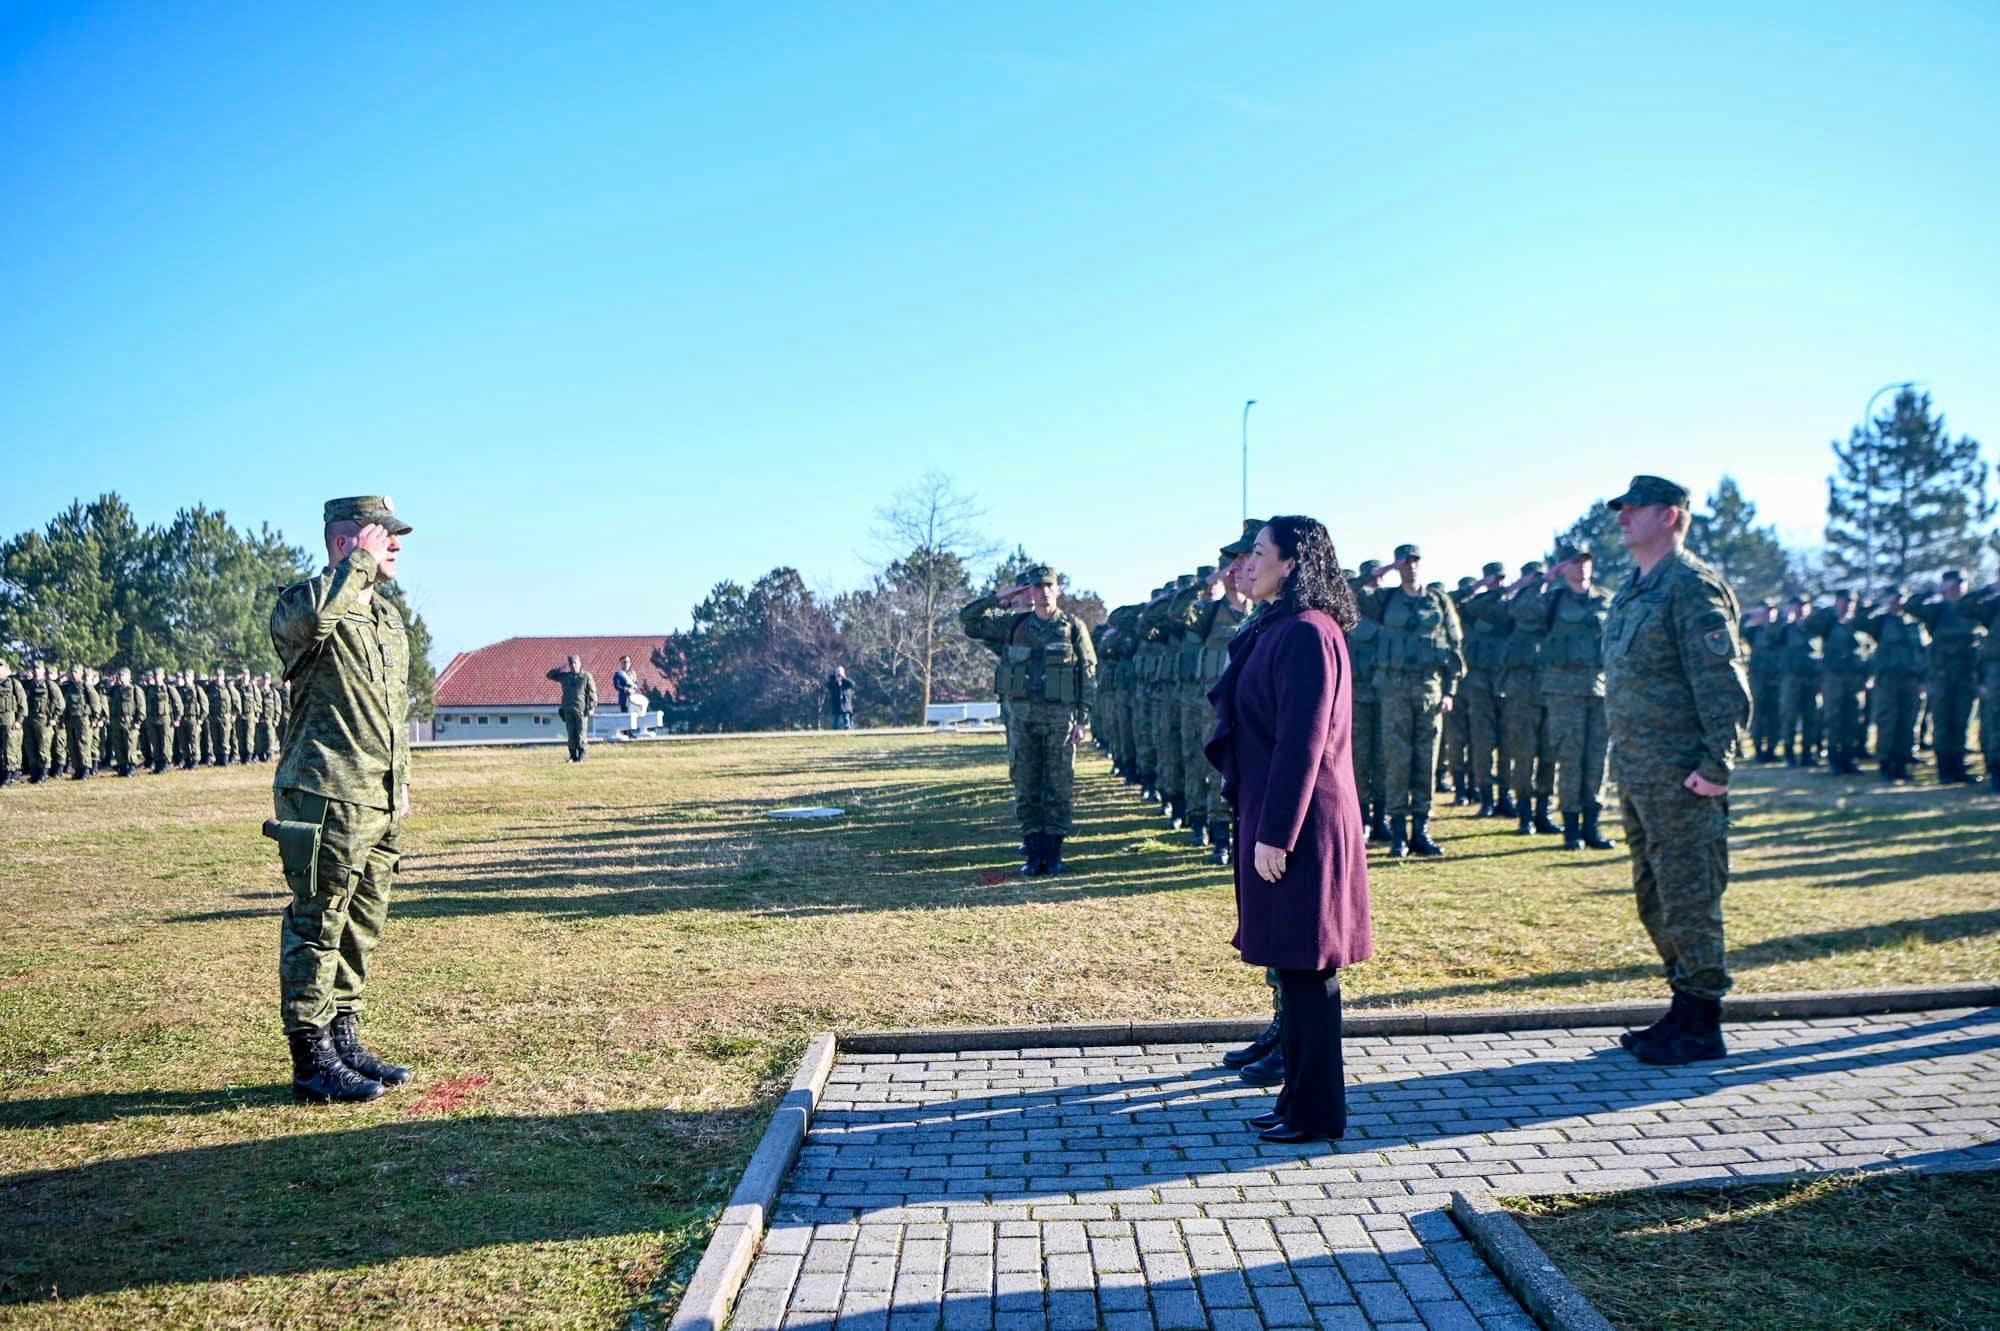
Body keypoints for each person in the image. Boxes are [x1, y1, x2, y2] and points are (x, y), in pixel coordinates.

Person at [1206, 515, 1371, 1143]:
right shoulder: (1279, 626)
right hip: (1278, 815)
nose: (1249, 561)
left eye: (1259, 550)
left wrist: (1276, 833)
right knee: (1294, 969)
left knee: (1308, 971)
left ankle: (1317, 1113)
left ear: (1293, 563)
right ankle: (1295, 1100)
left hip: (1301, 824)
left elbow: (1305, 743)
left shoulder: (1307, 632)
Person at [266, 495, 416, 1104]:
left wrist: (399, 780)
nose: (398, 547)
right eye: (387, 536)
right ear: (346, 542)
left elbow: (392, 708)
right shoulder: (301, 603)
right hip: (324, 788)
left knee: (362, 923)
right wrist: (356, 566)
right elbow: (309, 626)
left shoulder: (384, 618)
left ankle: (344, 1035)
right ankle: (311, 1056)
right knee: (318, 920)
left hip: (375, 795)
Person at [1601, 476, 1751, 1066]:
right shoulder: (1633, 589)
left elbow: (1724, 687)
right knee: (1655, 896)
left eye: (1633, 509)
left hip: (1684, 777)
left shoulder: (1690, 587)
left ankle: (1702, 1021)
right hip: (1641, 773)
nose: (1622, 518)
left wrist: (1716, 767)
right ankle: (1683, 1005)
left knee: (1690, 895)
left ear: (1669, 516)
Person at [959, 564, 1097, 875]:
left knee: (1059, 785)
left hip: (1060, 719)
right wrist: (1001, 596)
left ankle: (1054, 852)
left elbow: (1088, 674)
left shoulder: (1073, 627)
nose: (1044, 592)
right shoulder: (1012, 625)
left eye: (1049, 586)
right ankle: (1033, 853)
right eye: (1037, 587)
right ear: (1029, 592)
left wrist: (1082, 719)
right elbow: (969, 620)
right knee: (1026, 784)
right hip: (1022, 719)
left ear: (1058, 590)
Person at [1364, 544, 1464, 858]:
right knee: (1396, 761)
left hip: (1430, 690)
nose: (1411, 567)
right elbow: (1352, 591)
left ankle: (1420, 830)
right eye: (1404, 562)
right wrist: (1383, 571)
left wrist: (1450, 691)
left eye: (1414, 561)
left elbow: (1454, 647)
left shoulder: (1439, 601)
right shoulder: (1387, 599)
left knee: (1426, 761)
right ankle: (1397, 834)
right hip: (1393, 692)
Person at [1540, 546, 1616, 851]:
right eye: (1575, 562)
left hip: (1599, 688)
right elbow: (1518, 612)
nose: (1582, 567)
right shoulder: (1553, 600)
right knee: (1570, 757)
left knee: (1598, 758)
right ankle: (1571, 829)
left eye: (1586, 561)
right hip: (1563, 691)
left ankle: (1592, 826)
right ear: (1564, 567)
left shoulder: (1606, 600)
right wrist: (1545, 580)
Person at [1909, 572, 1984, 784]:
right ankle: (1944, 770)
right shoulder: (1937, 610)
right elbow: (1911, 606)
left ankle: (1958, 767)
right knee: (1942, 723)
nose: (1957, 588)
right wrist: (1934, 592)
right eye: (1953, 584)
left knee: (1961, 722)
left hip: (1966, 675)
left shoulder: (1972, 610)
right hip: (1941, 676)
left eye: (1961, 584)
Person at [547, 655, 598, 761]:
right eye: (571, 664)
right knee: (571, 734)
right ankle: (573, 755)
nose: (573, 665)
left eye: (575, 663)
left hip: (581, 710)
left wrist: (592, 708)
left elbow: (593, 693)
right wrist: (560, 668)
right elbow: (549, 675)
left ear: (580, 663)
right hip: (568, 709)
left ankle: (582, 756)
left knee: (581, 734)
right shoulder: (565, 676)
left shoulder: (586, 676)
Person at [0, 660, 23, 787]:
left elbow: (22, 703)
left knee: (10, 747)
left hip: (9, 720)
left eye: (1, 667)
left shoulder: (14, 683)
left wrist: (19, 720)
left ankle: (10, 773)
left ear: (6, 669)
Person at [824, 665, 856, 730]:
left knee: (846, 717)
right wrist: (836, 681)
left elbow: (852, 684)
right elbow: (828, 686)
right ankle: (835, 729)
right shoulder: (832, 680)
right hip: (836, 702)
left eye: (840, 671)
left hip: (845, 702)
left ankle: (847, 728)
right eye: (837, 671)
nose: (839, 673)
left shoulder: (846, 681)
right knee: (836, 718)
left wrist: (843, 678)